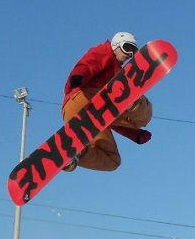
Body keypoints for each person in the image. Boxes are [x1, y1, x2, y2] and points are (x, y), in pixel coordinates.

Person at [62, 32, 153, 172]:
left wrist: (135, 135)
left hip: (81, 116)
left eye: (133, 52)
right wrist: (78, 76)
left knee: (112, 160)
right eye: (127, 48)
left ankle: (75, 154)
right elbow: (89, 63)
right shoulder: (105, 52)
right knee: (146, 113)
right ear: (116, 44)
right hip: (83, 95)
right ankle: (132, 102)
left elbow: (110, 118)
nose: (129, 54)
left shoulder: (117, 71)